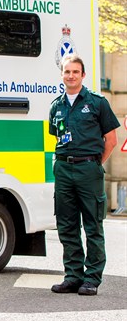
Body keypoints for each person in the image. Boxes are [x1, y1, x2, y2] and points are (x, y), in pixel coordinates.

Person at [48, 54, 120, 296]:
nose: (71, 76)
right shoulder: (56, 106)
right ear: (62, 75)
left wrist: (95, 164)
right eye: (67, 72)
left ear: (83, 75)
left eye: (75, 72)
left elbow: (111, 140)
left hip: (89, 168)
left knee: (92, 225)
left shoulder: (98, 103)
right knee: (66, 225)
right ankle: (73, 276)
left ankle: (92, 278)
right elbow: (55, 135)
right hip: (64, 169)